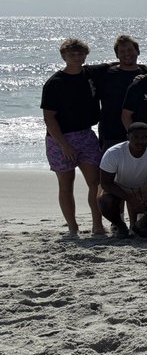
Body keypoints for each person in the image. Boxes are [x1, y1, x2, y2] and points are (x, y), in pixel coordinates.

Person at [40, 37, 108, 236]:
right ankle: (72, 227)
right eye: (72, 54)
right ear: (64, 56)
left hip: (86, 135)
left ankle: (97, 225)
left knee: (95, 182)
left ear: (86, 55)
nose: (76, 57)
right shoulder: (55, 83)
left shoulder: (90, 73)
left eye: (80, 54)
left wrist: (144, 70)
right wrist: (64, 145)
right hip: (59, 139)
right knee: (66, 184)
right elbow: (49, 117)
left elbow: (117, 65)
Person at [98, 122, 147, 238]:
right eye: (136, 137)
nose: (140, 141)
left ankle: (142, 223)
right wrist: (130, 199)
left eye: (144, 137)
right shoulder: (113, 153)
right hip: (120, 186)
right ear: (128, 137)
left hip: (144, 185)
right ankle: (121, 226)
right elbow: (105, 183)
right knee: (104, 201)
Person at [97, 35, 147, 150]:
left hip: (141, 134)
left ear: (138, 51)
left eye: (130, 50)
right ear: (117, 55)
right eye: (122, 51)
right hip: (111, 133)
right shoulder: (105, 74)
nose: (127, 54)